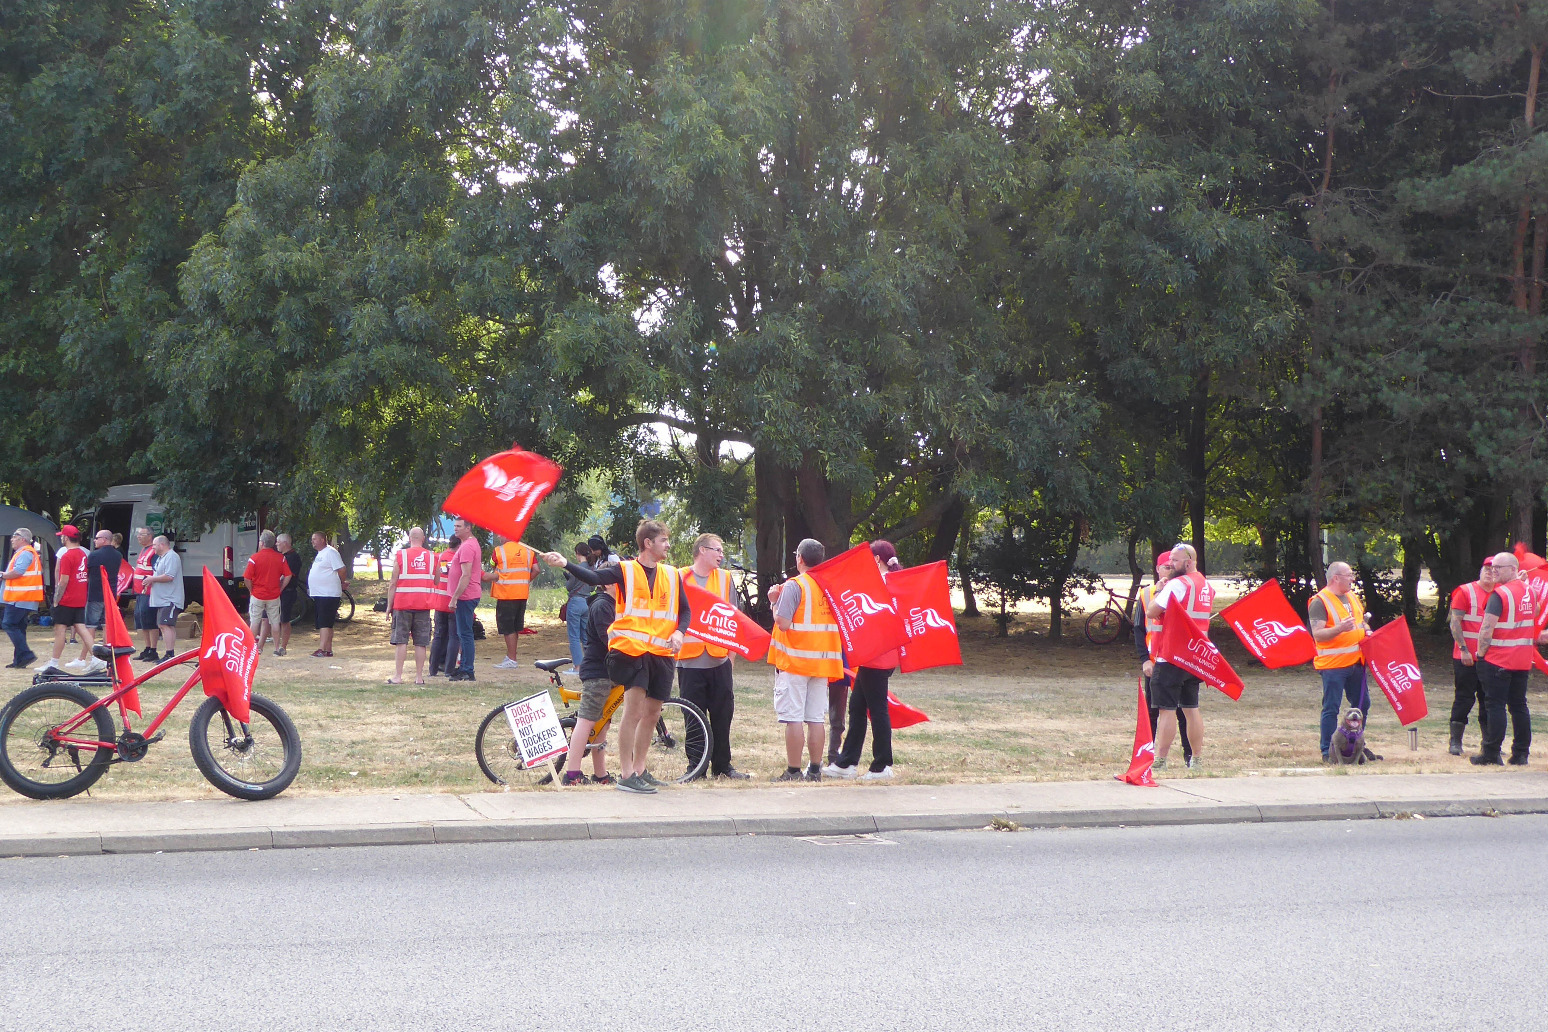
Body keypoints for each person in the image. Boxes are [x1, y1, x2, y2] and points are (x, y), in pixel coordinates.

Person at [543, 519, 689, 795]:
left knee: (653, 713)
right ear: (648, 543)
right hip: (632, 653)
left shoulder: (672, 574)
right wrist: (565, 564)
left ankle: (641, 770)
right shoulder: (625, 570)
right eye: (664, 540)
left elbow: (685, 611)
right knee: (633, 712)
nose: (668, 545)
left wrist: (680, 632)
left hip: (662, 653)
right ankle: (626, 774)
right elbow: (595, 578)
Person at [825, 540, 902, 780]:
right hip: (879, 653)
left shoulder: (882, 583)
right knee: (857, 706)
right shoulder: (893, 582)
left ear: (876, 560)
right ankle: (847, 762)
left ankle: (882, 765)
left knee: (877, 709)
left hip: (878, 655)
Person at [767, 538, 843, 782]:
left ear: (799, 558)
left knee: (793, 718)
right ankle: (815, 769)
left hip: (795, 661)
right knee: (815, 719)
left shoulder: (794, 585)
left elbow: (783, 622)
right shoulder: (830, 586)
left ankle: (793, 770)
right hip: (821, 663)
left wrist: (773, 602)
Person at [677, 533, 751, 781]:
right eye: (717, 550)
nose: (721, 555)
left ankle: (723, 766)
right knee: (693, 716)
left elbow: (733, 621)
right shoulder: (679, 577)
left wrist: (731, 658)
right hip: (689, 661)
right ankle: (696, 767)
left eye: (722, 551)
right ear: (701, 550)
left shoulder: (725, 578)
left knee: (722, 715)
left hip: (719, 661)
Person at [1143, 542, 1212, 770]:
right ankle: (1197, 759)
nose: (1170, 564)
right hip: (1194, 656)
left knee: (1167, 710)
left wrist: (1161, 589)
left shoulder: (1177, 584)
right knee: (1191, 708)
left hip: (1172, 655)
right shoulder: (1205, 585)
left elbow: (1152, 611)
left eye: (1174, 560)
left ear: (1188, 562)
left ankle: (1160, 761)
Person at [1472, 551, 1533, 765]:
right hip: (1522, 660)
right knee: (1518, 706)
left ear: (1513, 569)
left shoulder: (1500, 595)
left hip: (1498, 660)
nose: (1493, 570)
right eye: (1492, 567)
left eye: (1499, 567)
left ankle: (1491, 753)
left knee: (1495, 706)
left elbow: (1486, 628)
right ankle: (1521, 753)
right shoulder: (1530, 591)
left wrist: (1480, 655)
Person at [1309, 561, 1372, 763]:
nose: (1353, 578)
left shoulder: (1352, 597)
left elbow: (1361, 621)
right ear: (1336, 577)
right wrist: (1339, 630)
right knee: (1332, 708)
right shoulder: (1320, 601)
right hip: (1333, 665)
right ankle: (1328, 751)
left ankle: (1356, 746)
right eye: (1349, 575)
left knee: (1363, 705)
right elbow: (1318, 634)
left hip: (1356, 663)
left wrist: (1367, 630)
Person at [556, 583, 618, 786]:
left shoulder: (612, 603)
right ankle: (572, 774)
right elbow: (609, 640)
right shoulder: (602, 605)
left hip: (607, 670)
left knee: (602, 723)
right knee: (587, 720)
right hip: (598, 671)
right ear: (609, 584)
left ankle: (601, 775)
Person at [1135, 549, 1192, 764]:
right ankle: (1147, 758)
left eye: (1172, 566)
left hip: (1178, 658)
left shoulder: (1184, 590)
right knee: (1153, 711)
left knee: (1183, 711)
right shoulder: (1146, 594)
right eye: (1165, 567)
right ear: (1158, 569)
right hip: (1155, 660)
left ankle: (1189, 756)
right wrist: (1144, 660)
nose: (1169, 570)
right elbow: (1139, 629)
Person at [1447, 559, 1495, 755]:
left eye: (1494, 570)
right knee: (1464, 698)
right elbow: (1454, 622)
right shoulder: (1465, 591)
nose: (1489, 573)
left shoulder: (1502, 593)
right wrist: (1464, 649)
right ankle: (1455, 742)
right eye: (1486, 569)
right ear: (1480, 570)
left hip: (1491, 658)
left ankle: (1489, 744)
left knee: (1489, 701)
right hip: (1466, 656)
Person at [39, 525, 92, 674]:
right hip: (80, 596)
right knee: (81, 627)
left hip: (67, 598)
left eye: (62, 536)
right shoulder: (83, 553)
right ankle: (96, 659)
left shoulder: (67, 556)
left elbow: (63, 581)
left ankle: (54, 663)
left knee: (60, 629)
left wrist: (57, 598)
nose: (61, 538)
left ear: (66, 538)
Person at [388, 527, 436, 685]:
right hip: (424, 604)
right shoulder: (432, 556)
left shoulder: (401, 555)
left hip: (402, 604)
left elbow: (393, 583)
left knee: (401, 640)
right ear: (423, 539)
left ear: (410, 539)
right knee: (421, 642)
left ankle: (398, 676)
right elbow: (437, 580)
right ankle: (419, 677)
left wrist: (389, 606)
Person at [485, 533, 540, 669]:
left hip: (506, 594)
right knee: (515, 627)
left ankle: (511, 658)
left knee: (507, 628)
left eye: (500, 534)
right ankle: (512, 656)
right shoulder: (528, 551)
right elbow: (536, 570)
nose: (498, 537)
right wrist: (525, 581)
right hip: (521, 593)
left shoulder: (499, 551)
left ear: (506, 535)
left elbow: (492, 565)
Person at [444, 519, 483, 682]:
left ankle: (468, 669)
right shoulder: (469, 544)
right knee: (463, 633)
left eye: (459, 526)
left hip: (466, 596)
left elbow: (466, 575)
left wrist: (455, 598)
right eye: (454, 526)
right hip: (467, 595)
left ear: (468, 528)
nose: (455, 529)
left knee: (465, 634)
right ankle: (464, 667)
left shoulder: (467, 546)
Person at [1, 528, 43, 669]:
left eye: (14, 537)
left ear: (22, 539)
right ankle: (19, 660)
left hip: (20, 597)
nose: (12, 539)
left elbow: (18, 572)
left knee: (9, 624)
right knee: (19, 627)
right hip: (24, 597)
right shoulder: (26, 552)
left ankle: (26, 654)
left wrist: (2, 575)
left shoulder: (25, 553)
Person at [244, 530, 291, 647]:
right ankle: (276, 647)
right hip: (274, 595)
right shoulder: (281, 558)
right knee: (275, 622)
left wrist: (251, 590)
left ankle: (250, 647)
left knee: (255, 621)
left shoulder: (254, 558)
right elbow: (288, 575)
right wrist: (281, 588)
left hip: (257, 594)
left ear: (262, 543)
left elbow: (247, 578)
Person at [308, 531, 348, 658]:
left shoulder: (330, 552)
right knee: (326, 622)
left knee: (324, 622)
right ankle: (328, 650)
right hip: (320, 594)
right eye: (312, 539)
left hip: (328, 594)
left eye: (315, 539)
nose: (312, 541)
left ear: (322, 540)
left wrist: (341, 582)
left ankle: (322, 648)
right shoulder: (321, 554)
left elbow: (341, 569)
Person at [144, 535, 184, 659]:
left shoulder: (172, 557)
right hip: (162, 599)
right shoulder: (162, 558)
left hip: (170, 598)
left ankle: (169, 653)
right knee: (164, 625)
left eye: (154, 545)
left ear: (162, 545)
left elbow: (169, 576)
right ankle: (169, 653)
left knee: (165, 625)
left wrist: (152, 578)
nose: (153, 548)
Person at [427, 538, 460, 677]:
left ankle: (433, 669)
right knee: (454, 637)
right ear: (459, 545)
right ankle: (449, 670)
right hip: (454, 603)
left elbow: (435, 578)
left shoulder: (440, 557)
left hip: (440, 603)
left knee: (438, 636)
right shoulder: (459, 559)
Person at [84, 529, 123, 640]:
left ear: (104, 539)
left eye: (97, 538)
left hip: (95, 593)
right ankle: (107, 646)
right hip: (111, 594)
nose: (94, 540)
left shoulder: (94, 555)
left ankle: (92, 650)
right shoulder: (118, 555)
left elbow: (88, 574)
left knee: (91, 625)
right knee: (107, 624)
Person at [130, 527, 161, 661]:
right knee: (142, 620)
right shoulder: (144, 550)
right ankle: (147, 648)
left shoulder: (153, 552)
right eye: (138, 534)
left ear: (150, 536)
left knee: (150, 620)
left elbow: (157, 570)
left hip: (148, 591)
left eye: (141, 534)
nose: (138, 537)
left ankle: (153, 649)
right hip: (140, 590)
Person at [563, 541, 594, 669]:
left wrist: (569, 578)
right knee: (586, 635)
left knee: (574, 636)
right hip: (587, 602)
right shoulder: (592, 569)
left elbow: (569, 587)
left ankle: (578, 666)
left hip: (575, 602)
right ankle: (590, 664)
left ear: (577, 554)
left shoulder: (576, 569)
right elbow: (592, 587)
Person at [275, 533, 302, 656]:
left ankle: (283, 646)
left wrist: (280, 588)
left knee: (284, 619)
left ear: (285, 543)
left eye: (278, 542)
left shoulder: (293, 557)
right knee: (272, 618)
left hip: (287, 592)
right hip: (278, 592)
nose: (276, 544)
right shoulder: (281, 556)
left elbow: (287, 576)